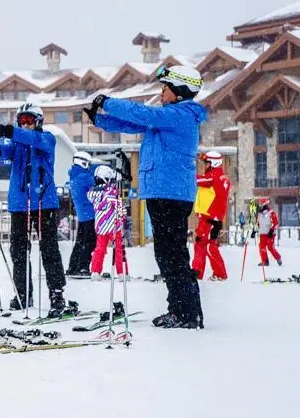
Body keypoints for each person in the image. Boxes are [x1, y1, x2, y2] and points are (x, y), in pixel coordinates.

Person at [85, 65, 207, 329]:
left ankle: (184, 313)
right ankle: (185, 310)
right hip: (164, 192)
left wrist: (107, 102)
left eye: (165, 88)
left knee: (171, 254)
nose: (161, 93)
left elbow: (142, 113)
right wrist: (101, 120)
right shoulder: (169, 117)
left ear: (179, 91)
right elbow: (135, 122)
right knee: (168, 253)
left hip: (170, 194)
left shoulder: (180, 115)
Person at [0, 103, 70, 317]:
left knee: (49, 249)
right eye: (21, 120)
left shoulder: (47, 138)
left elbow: (34, 140)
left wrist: (10, 131)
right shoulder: (17, 143)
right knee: (18, 251)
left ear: (38, 121)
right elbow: (2, 153)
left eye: (29, 120)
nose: (24, 124)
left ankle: (57, 292)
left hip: (44, 202)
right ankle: (23, 292)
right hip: (19, 204)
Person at [191, 151, 229, 281]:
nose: (205, 165)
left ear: (213, 163)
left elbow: (196, 179)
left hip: (209, 218)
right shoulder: (219, 177)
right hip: (211, 218)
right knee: (206, 245)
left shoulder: (213, 177)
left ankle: (199, 272)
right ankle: (213, 272)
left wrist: (183, 172)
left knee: (203, 245)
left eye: (206, 163)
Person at [86, 166, 125, 280]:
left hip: (100, 225)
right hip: (113, 225)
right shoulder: (111, 192)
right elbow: (119, 206)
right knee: (118, 249)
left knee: (100, 249)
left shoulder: (93, 193)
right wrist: (122, 216)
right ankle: (121, 272)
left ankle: (95, 271)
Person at [66, 151, 97, 276]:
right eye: (87, 163)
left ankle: (73, 266)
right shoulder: (85, 177)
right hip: (90, 213)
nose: (89, 166)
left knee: (80, 242)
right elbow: (95, 189)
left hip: (82, 214)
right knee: (90, 242)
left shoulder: (73, 176)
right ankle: (83, 267)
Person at [255, 198, 282, 266]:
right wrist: (255, 230)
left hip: (270, 233)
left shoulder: (271, 212)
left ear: (265, 204)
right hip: (262, 233)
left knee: (270, 246)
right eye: (259, 204)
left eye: (261, 204)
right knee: (262, 247)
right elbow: (258, 223)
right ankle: (265, 261)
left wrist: (272, 230)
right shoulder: (259, 213)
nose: (260, 206)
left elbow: (275, 223)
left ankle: (278, 258)